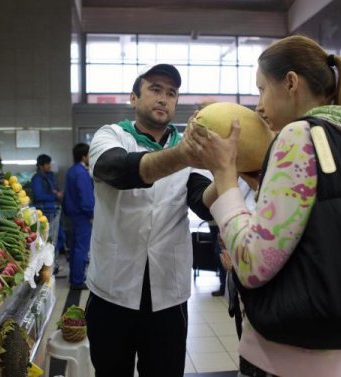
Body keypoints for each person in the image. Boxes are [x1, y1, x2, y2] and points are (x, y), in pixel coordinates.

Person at [188, 35, 341, 377]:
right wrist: (261, 186)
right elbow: (317, 233)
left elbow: (253, 264)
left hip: (285, 360)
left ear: (290, 83)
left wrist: (225, 175)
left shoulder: (297, 136)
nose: (258, 105)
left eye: (261, 89)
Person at [85, 63, 216, 376]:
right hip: (112, 290)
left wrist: (225, 169)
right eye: (155, 89)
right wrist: (182, 155)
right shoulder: (112, 136)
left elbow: (204, 203)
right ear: (133, 98)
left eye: (171, 93)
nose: (164, 98)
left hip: (168, 295)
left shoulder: (190, 151)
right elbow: (116, 169)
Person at [62, 143, 94, 290]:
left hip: (72, 215)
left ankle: (75, 277)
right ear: (83, 156)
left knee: (75, 247)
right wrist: (92, 213)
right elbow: (86, 197)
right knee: (81, 248)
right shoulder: (81, 173)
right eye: (89, 154)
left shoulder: (72, 171)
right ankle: (78, 280)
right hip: (82, 216)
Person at [31, 154, 66, 260]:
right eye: (47, 164)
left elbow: (54, 188)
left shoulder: (49, 176)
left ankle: (51, 261)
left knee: (58, 238)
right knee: (49, 240)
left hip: (53, 211)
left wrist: (57, 192)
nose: (49, 166)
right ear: (41, 165)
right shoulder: (37, 179)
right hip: (45, 213)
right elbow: (38, 195)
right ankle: (47, 262)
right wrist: (55, 195)